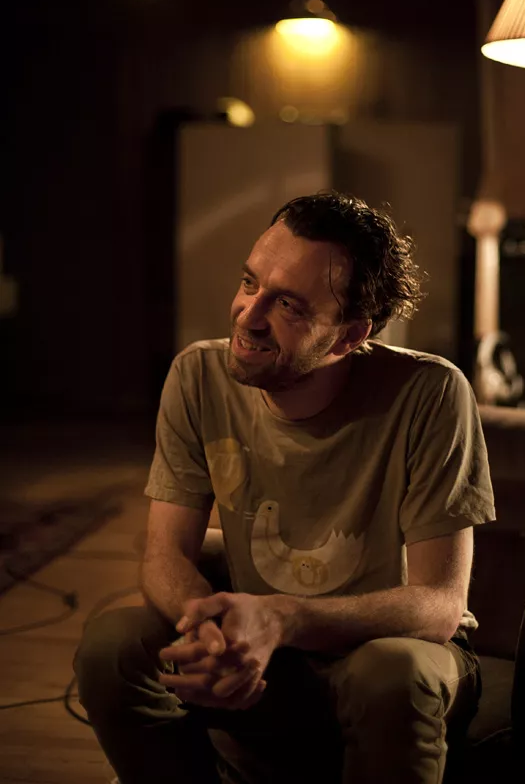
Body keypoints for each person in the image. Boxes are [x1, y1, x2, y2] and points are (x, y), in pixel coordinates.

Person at [74, 191, 495, 784]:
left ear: (348, 336)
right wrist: (212, 634)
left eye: (289, 305)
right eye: (250, 283)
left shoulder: (431, 393)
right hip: (263, 644)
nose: (248, 315)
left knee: (390, 675)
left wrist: (282, 618)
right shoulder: (197, 376)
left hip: (392, 647)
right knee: (110, 646)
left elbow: (439, 606)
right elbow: (165, 556)